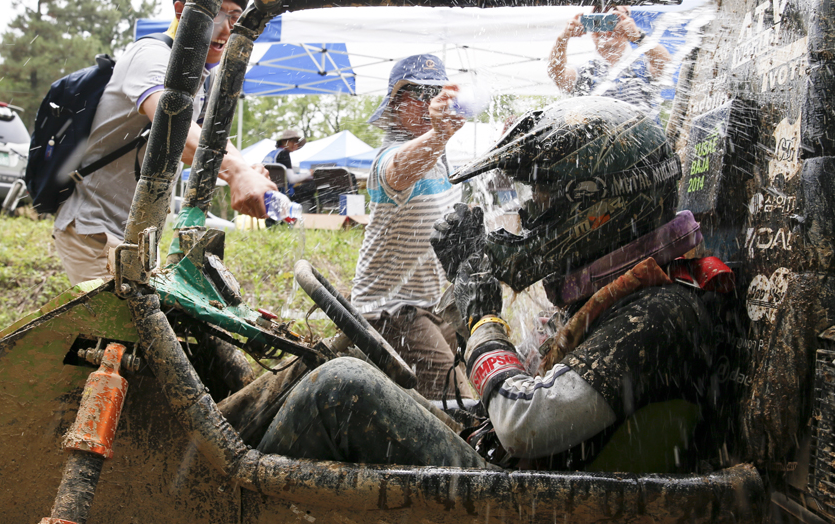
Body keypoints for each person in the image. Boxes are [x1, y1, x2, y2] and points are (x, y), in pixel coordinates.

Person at [258, 97, 744, 469]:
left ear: (599, 206)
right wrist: (467, 280)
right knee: (324, 368)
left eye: (544, 195)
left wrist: (481, 319)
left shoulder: (661, 311)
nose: (530, 210)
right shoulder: (620, 291)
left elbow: (524, 425)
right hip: (518, 475)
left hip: (536, 505)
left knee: (340, 388)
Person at [53, 0, 276, 285]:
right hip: (94, 232)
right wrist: (235, 172)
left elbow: (214, 137)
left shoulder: (201, 76)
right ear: (182, 11)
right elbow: (171, 129)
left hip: (138, 236)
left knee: (143, 331)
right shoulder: (151, 57)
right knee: (119, 334)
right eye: (216, 14)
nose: (226, 29)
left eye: (234, 16)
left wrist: (245, 168)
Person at [345, 54, 473, 401]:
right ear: (397, 104)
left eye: (436, 92)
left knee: (474, 382)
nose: (428, 101)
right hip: (390, 309)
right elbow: (400, 170)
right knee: (450, 399)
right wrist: (437, 135)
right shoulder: (388, 157)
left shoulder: (440, 159)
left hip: (432, 303)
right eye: (418, 93)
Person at [548, 4, 671, 111]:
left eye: (613, 20)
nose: (606, 30)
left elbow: (666, 65)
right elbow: (557, 75)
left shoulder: (642, 67)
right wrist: (562, 38)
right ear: (589, 26)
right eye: (598, 21)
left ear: (628, 23)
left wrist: (639, 37)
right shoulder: (586, 72)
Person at [262, 129, 313, 199]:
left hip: (268, 193)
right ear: (283, 141)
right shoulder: (284, 154)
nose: (296, 144)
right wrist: (309, 173)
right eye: (293, 141)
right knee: (312, 185)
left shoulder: (271, 154)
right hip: (284, 195)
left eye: (297, 142)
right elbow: (292, 179)